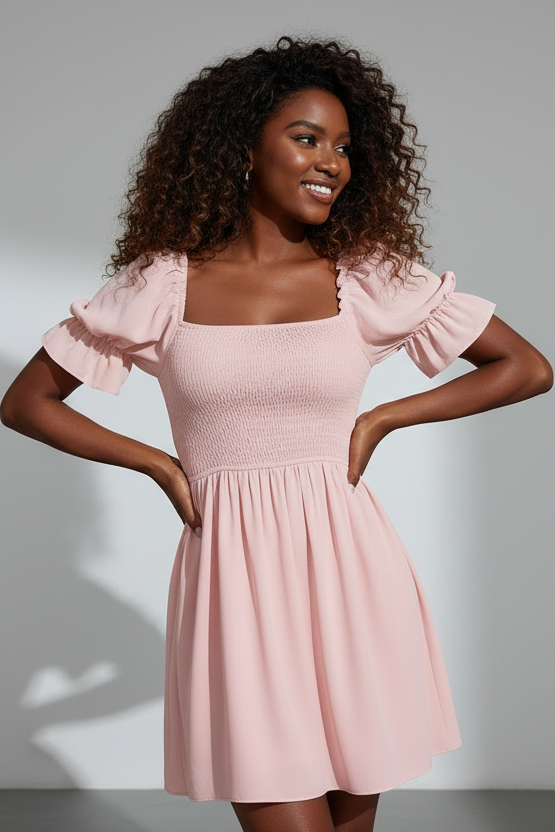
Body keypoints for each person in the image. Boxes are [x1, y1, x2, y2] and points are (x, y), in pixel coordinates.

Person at [1, 35, 552, 832]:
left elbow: (525, 367)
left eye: (343, 146)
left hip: (350, 572)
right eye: (306, 138)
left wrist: (383, 418)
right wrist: (157, 464)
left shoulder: (362, 276)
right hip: (234, 582)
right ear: (242, 149)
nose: (331, 161)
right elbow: (27, 402)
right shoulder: (161, 285)